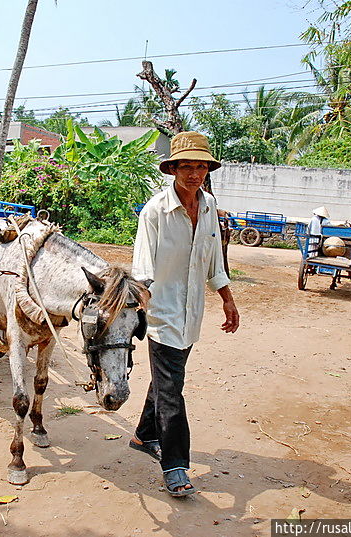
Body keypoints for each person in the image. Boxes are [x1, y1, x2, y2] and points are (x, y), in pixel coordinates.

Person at [129, 131, 240, 497]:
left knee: (166, 383)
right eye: (187, 166)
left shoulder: (207, 207)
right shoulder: (155, 212)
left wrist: (227, 298)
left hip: (191, 314)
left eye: (201, 166)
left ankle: (145, 436)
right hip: (161, 314)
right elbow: (143, 267)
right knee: (172, 391)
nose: (194, 174)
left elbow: (212, 262)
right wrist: (137, 307)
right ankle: (175, 465)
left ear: (208, 169)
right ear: (173, 169)